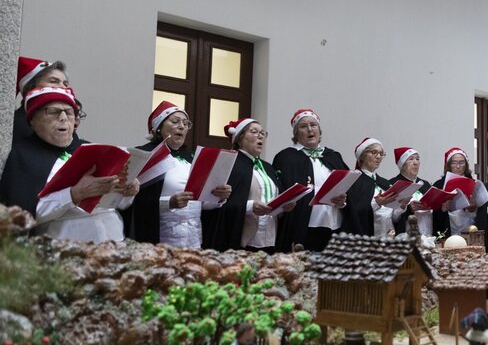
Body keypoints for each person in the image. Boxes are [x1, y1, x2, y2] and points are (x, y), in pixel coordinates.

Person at [0, 86, 138, 241]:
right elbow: (21, 216)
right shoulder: (23, 157)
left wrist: (126, 191)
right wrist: (74, 194)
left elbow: (114, 204)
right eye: (53, 111)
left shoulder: (93, 149)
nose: (63, 117)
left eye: (69, 112)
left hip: (113, 239)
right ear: (33, 120)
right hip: (65, 246)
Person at [128, 101, 230, 247]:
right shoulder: (144, 155)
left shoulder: (192, 158)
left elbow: (201, 204)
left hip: (194, 240)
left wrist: (218, 197)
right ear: (159, 127)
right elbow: (130, 201)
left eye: (186, 123)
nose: (182, 126)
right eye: (175, 121)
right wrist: (169, 203)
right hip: (159, 241)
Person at [207, 118, 293, 252]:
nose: (260, 136)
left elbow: (275, 200)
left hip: (270, 239)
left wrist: (283, 207)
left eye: (263, 133)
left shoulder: (268, 168)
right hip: (243, 241)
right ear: (239, 138)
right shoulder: (229, 164)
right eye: (254, 132)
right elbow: (216, 204)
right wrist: (250, 206)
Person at [273, 109, 349, 252]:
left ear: (319, 130)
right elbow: (280, 191)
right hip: (305, 226)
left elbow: (348, 188)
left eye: (313, 125)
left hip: (335, 225)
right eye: (303, 126)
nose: (309, 129)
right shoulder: (286, 157)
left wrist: (343, 202)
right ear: (296, 134)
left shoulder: (333, 156)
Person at [342, 137, 398, 237]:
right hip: (368, 237)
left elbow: (394, 216)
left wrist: (402, 206)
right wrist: (377, 203)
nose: (378, 157)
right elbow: (353, 213)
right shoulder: (353, 181)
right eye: (374, 152)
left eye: (381, 153)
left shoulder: (384, 183)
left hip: (389, 235)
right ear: (362, 155)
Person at [12, 56, 71, 145]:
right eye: (53, 81)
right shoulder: (15, 125)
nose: (63, 87)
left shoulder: (67, 119)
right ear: (31, 87)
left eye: (65, 84)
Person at [431, 147, 478, 237]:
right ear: (449, 165)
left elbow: (480, 212)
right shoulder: (439, 185)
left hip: (468, 228)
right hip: (447, 228)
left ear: (466, 165)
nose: (458, 166)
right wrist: (442, 209)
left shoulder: (473, 183)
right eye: (454, 163)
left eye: (461, 162)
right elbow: (434, 212)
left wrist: (473, 209)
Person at [390, 147, 433, 237]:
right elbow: (391, 217)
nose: (415, 162)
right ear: (402, 164)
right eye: (411, 159)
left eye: (417, 159)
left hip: (428, 234)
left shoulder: (425, 184)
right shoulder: (393, 184)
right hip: (405, 236)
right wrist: (408, 208)